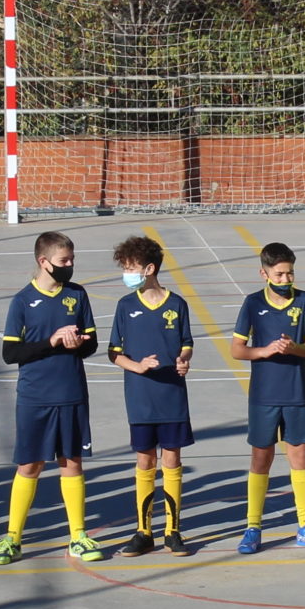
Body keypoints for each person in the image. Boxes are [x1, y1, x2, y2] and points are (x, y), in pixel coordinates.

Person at [0, 230, 99, 565]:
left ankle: (78, 536)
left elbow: (93, 344)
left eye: (71, 260)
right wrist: (51, 342)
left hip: (70, 392)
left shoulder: (77, 295)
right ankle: (12, 537)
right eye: (63, 261)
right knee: (30, 464)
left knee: (71, 461)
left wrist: (77, 342)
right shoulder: (23, 301)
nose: (69, 266)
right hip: (35, 395)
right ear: (44, 262)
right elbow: (10, 353)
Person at [232, 242, 305, 552]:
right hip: (263, 395)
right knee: (261, 458)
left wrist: (294, 348)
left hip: (296, 392)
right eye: (279, 275)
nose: (286, 280)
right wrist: (265, 350)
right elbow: (237, 349)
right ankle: (253, 527)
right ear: (264, 273)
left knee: (300, 457)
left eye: (290, 273)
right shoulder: (252, 304)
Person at [109, 235, 194, 556]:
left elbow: (187, 342)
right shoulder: (125, 305)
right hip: (140, 398)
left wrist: (184, 359)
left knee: (172, 459)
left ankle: (173, 531)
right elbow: (114, 352)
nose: (127, 274)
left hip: (172, 396)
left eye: (131, 268)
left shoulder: (177, 304)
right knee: (145, 460)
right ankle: (144, 531)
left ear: (149, 268)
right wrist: (138, 366)